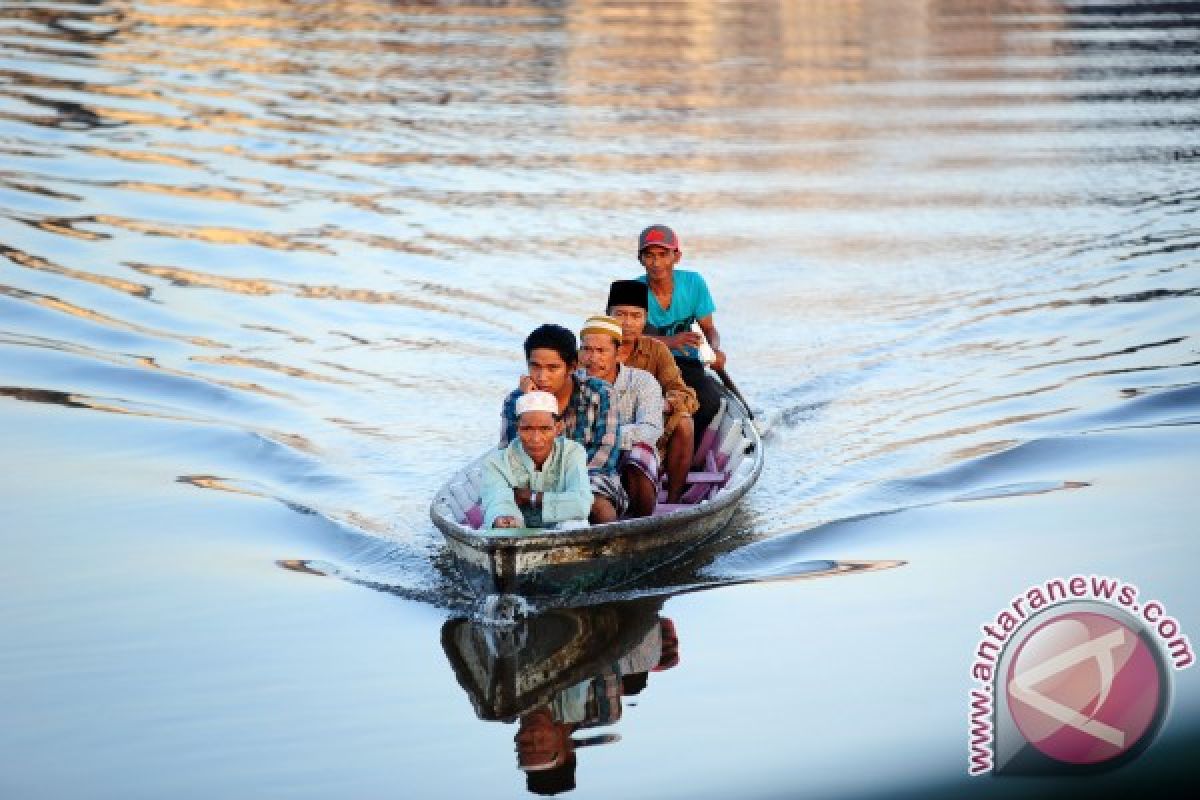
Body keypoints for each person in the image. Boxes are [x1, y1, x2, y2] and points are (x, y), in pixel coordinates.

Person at [500, 324, 626, 524]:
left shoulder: (601, 393)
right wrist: (533, 404)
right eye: (535, 366)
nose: (542, 377)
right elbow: (509, 455)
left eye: (553, 368)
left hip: (589, 476)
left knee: (598, 505)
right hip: (531, 479)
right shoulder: (516, 400)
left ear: (573, 367)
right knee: (502, 504)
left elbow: (604, 457)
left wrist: (554, 493)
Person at [607, 279, 699, 503]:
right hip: (602, 430)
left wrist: (661, 405)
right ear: (607, 316)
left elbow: (688, 396)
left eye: (635, 316)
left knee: (685, 422)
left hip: (649, 431)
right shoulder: (593, 349)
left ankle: (673, 499)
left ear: (645, 319)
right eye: (620, 314)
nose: (627, 323)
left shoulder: (657, 350)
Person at [633, 224, 726, 446]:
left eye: (663, 254)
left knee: (709, 403)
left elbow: (709, 329)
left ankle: (690, 452)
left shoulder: (693, 283)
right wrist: (670, 341)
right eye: (649, 255)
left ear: (677, 256)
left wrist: (714, 350)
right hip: (646, 363)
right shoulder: (633, 289)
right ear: (640, 259)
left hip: (685, 363)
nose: (656, 263)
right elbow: (629, 337)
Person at [578, 315, 663, 518]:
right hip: (584, 456)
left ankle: (640, 522)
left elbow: (651, 428)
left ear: (619, 353)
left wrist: (607, 438)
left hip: (625, 453)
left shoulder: (643, 381)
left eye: (601, 351)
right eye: (587, 350)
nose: (593, 358)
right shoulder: (573, 382)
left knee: (640, 453)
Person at [482, 391, 592, 529]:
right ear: (517, 428)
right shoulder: (496, 462)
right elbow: (497, 500)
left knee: (577, 524)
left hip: (561, 528)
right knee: (501, 528)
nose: (536, 438)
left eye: (545, 429)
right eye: (527, 429)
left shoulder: (572, 452)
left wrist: (531, 497)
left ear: (558, 428)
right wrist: (503, 518)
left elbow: (581, 504)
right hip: (518, 530)